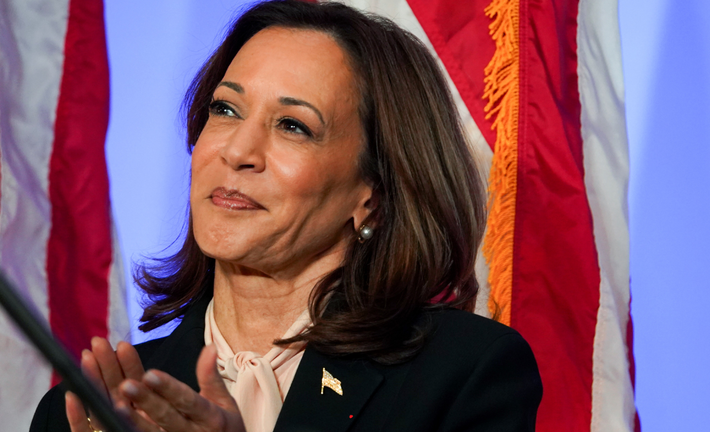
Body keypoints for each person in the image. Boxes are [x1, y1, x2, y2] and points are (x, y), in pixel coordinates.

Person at [31, 1, 542, 431]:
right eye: (225, 110)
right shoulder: (92, 409)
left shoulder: (464, 375)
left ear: (374, 195)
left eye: (293, 126)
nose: (238, 151)